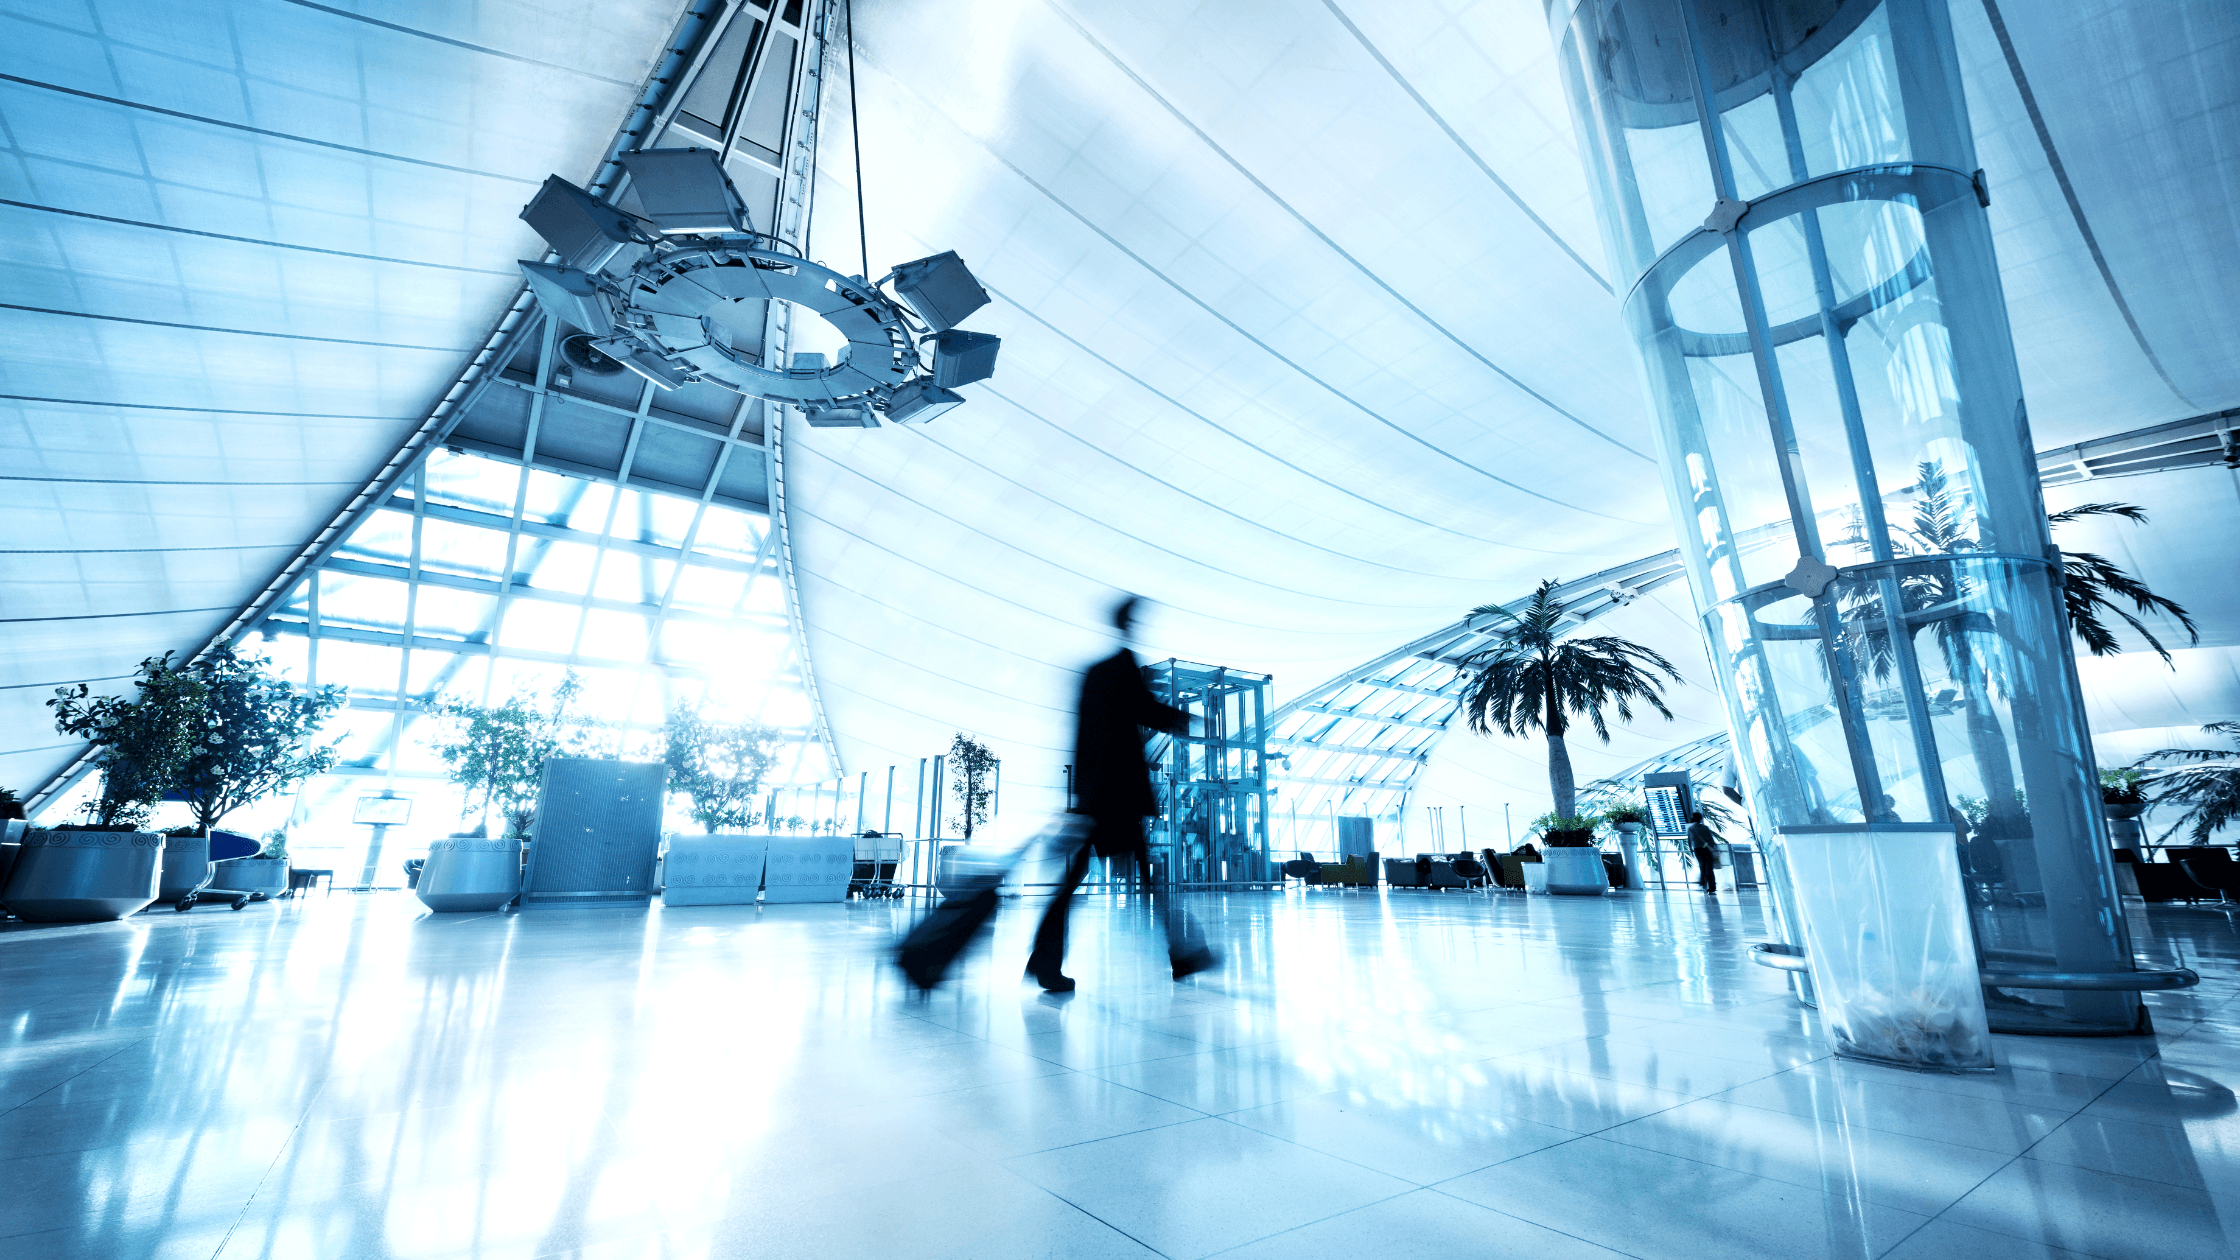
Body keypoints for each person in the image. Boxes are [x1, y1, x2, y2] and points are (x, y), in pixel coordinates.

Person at [1026, 596, 1218, 992]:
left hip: (1096, 797)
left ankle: (1045, 960)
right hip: (1118, 798)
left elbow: (1082, 737)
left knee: (1084, 882)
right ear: (1129, 623)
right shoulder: (1122, 667)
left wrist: (1082, 795)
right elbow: (1146, 710)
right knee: (1145, 881)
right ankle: (1181, 955)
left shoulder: (1094, 673)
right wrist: (1189, 721)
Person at [1688, 811, 1720, 895]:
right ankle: (1712, 888)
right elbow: (1710, 840)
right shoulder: (1705, 828)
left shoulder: (1691, 828)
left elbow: (1689, 841)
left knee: (1702, 867)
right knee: (1709, 868)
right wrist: (1714, 848)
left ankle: (1703, 885)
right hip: (1706, 849)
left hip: (1697, 850)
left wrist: (1691, 850)